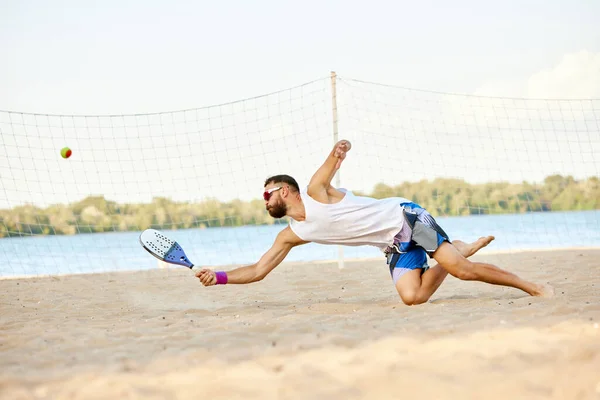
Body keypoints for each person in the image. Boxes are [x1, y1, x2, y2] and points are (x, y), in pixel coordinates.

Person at [196, 140, 552, 304]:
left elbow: (329, 166)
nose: (265, 200)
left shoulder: (317, 192)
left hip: (406, 217)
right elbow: (259, 270)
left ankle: (530, 286)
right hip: (394, 245)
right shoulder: (293, 234)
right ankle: (455, 249)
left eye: (267, 193)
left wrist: (338, 153)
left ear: (286, 191)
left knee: (463, 270)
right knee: (413, 297)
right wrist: (221, 277)